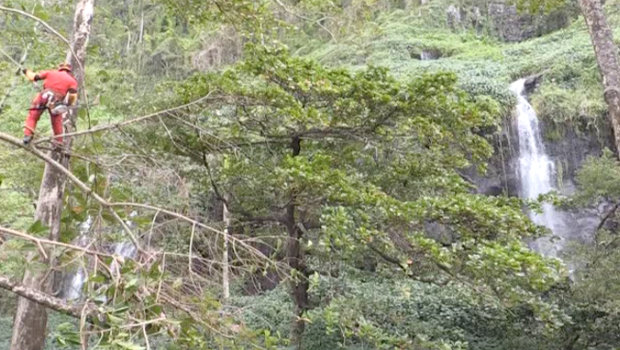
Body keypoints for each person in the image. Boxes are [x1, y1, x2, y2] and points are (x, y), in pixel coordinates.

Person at [22, 63, 78, 145]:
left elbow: (34, 77)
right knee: (57, 122)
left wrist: (26, 71)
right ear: (69, 71)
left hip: (43, 96)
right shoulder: (72, 81)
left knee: (33, 116)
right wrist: (67, 104)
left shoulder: (50, 73)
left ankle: (27, 135)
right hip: (56, 102)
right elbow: (72, 96)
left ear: (59, 69)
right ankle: (59, 142)